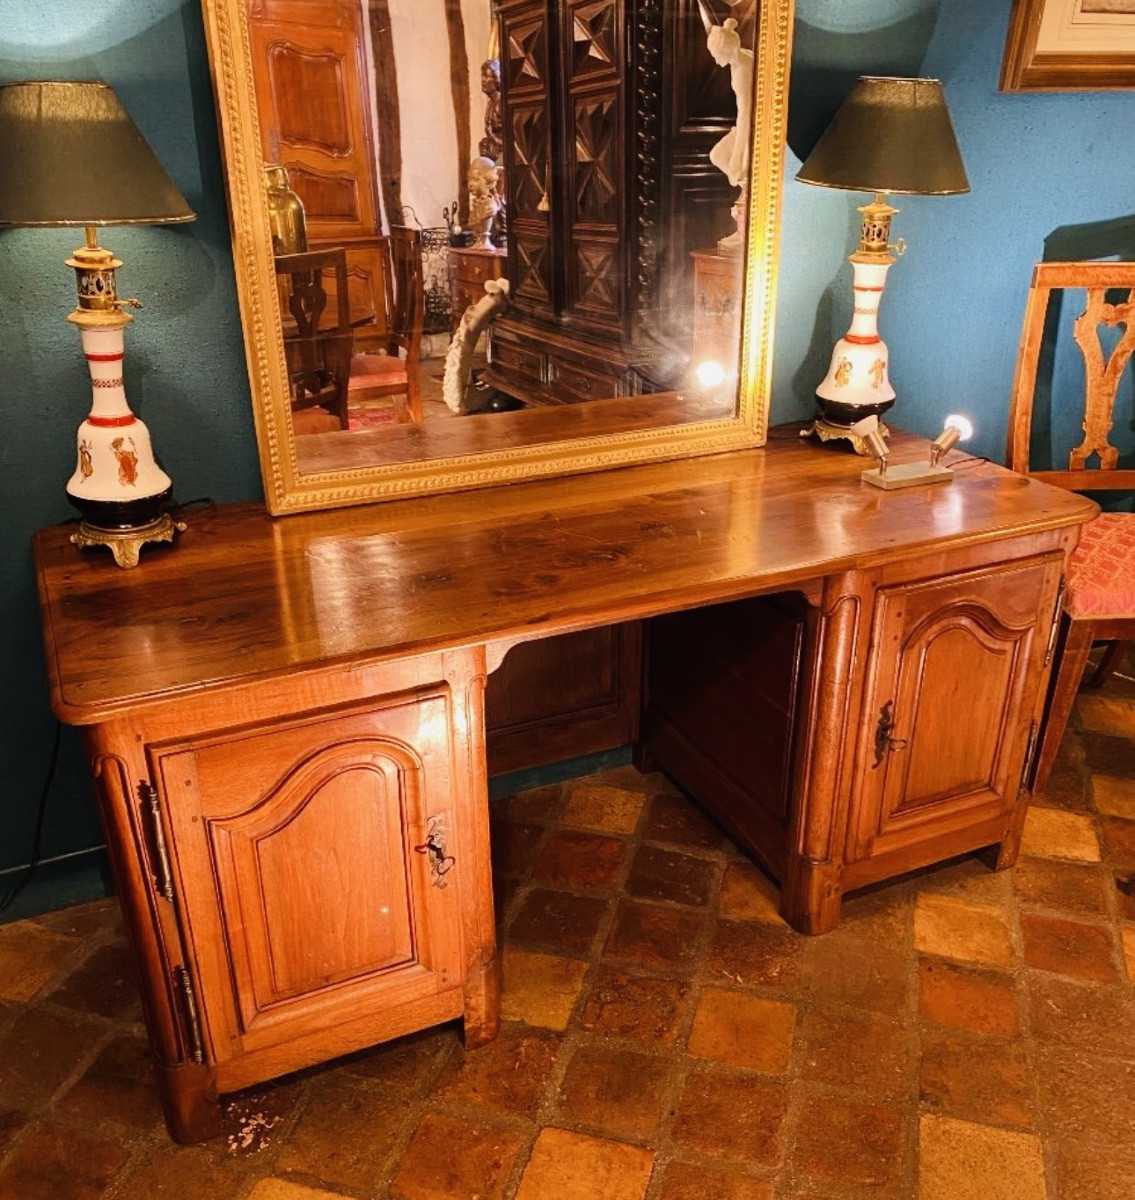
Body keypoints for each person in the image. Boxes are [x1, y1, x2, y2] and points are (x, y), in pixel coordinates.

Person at [706, 18, 753, 189]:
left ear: (726, 50)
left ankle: (745, 189)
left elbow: (745, 114)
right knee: (718, 156)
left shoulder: (741, 71)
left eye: (716, 54)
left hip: (750, 126)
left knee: (719, 157)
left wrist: (737, 155)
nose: (716, 60)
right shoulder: (744, 55)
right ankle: (745, 188)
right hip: (747, 123)